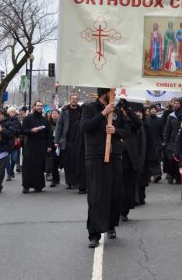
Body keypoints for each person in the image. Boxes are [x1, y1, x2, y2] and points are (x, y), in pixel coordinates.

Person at [81, 88, 130, 248]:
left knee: (115, 193)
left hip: (114, 155)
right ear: (105, 93)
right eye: (112, 93)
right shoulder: (89, 108)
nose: (114, 96)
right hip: (95, 155)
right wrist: (103, 114)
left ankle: (111, 225)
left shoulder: (117, 111)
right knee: (96, 195)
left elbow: (127, 132)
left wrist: (116, 131)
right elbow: (85, 127)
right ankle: (94, 233)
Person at [21, 101, 53, 193]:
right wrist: (31, 131)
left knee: (39, 165)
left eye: (41, 106)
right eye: (38, 106)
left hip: (41, 145)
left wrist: (49, 145)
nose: (39, 107)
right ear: (34, 107)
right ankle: (26, 186)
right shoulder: (27, 118)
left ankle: (38, 185)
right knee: (28, 165)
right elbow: (22, 130)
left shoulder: (45, 119)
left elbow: (49, 133)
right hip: (30, 144)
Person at [120, 100, 144, 220]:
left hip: (128, 160)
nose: (123, 112)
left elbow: (138, 122)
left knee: (128, 187)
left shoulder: (131, 124)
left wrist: (128, 109)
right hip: (115, 158)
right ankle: (116, 209)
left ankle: (124, 210)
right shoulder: (113, 123)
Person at [54, 94, 82, 190]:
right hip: (66, 141)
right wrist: (56, 141)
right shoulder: (64, 111)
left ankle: (76, 181)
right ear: (69, 100)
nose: (74, 100)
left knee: (76, 162)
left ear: (77, 100)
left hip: (77, 141)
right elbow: (59, 126)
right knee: (67, 162)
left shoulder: (81, 111)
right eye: (72, 99)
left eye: (75, 99)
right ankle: (69, 182)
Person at [162, 97, 182, 184]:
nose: (176, 105)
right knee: (171, 159)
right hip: (172, 141)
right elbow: (167, 130)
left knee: (180, 159)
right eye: (175, 103)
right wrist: (165, 141)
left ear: (181, 105)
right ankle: (170, 175)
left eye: (178, 104)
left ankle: (178, 176)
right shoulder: (171, 116)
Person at [144, 104, 163, 183]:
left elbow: (162, 131)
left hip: (157, 142)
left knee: (157, 159)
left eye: (154, 109)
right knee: (148, 159)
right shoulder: (146, 119)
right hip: (147, 142)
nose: (153, 110)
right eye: (151, 109)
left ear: (156, 110)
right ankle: (149, 175)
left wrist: (162, 141)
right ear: (149, 110)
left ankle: (157, 174)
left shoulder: (159, 120)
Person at [5, 107, 22, 181]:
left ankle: (11, 170)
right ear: (8, 113)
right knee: (7, 159)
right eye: (11, 112)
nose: (12, 113)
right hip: (6, 142)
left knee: (14, 159)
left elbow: (20, 130)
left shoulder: (17, 121)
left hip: (15, 142)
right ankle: (9, 174)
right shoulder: (5, 120)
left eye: (13, 112)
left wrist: (13, 130)